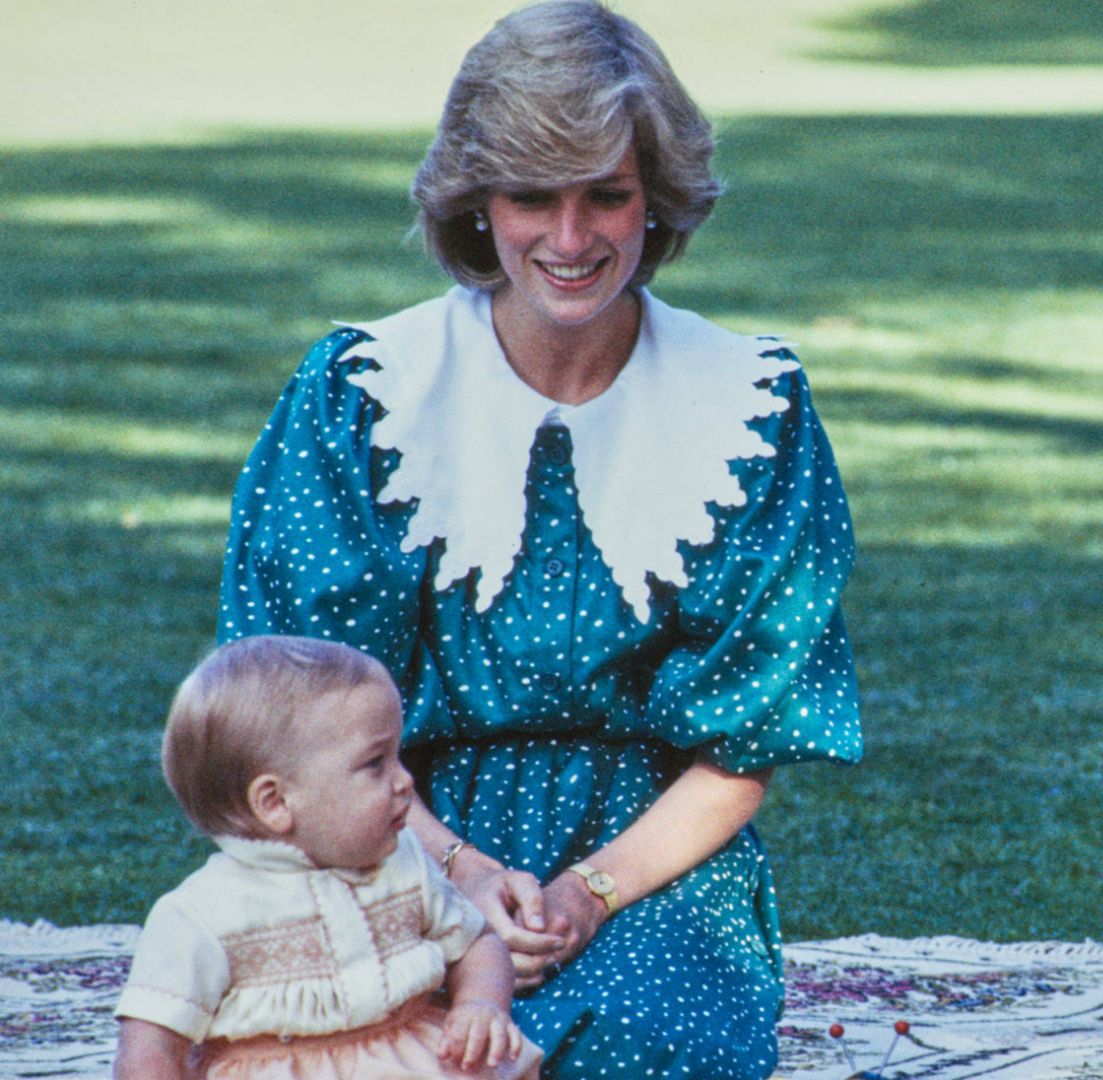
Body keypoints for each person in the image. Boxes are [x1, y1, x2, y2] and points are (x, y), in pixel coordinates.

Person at [218, 3, 861, 1076]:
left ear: (657, 197)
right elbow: (292, 713)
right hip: (380, 834)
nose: (570, 240)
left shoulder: (752, 408)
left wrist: (590, 893)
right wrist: (459, 874)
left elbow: (747, 742)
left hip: (651, 860)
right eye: (530, 196)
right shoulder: (361, 395)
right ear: (477, 202)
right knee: (348, 1044)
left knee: (644, 1042)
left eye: (606, 195)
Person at [112, 636, 541, 1079]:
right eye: (376, 763)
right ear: (275, 803)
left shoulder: (405, 863)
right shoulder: (200, 915)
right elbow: (149, 1051)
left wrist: (480, 1003)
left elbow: (478, 941)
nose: (405, 781)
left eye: (398, 757)